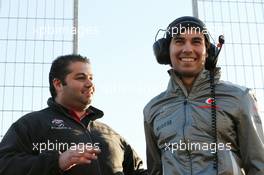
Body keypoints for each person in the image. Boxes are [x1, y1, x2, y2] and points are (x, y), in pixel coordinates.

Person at [144, 16, 264, 175]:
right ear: (165, 52)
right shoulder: (152, 109)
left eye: (196, 41)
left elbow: (259, 166)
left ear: (209, 52)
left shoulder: (240, 97)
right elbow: (155, 170)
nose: (187, 49)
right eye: (179, 41)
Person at [0, 54, 147, 175]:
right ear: (58, 84)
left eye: (91, 78)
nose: (90, 84)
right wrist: (58, 162)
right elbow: (4, 164)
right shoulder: (32, 124)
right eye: (81, 78)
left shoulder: (111, 134)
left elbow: (138, 171)